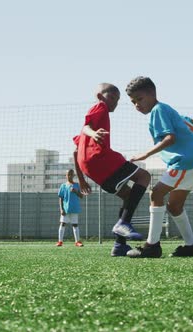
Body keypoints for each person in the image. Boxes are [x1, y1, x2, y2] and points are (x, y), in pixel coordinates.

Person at [125, 76, 193, 258]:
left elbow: (169, 138)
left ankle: (152, 247)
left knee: (156, 194)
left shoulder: (158, 110)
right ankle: (191, 246)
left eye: (139, 99)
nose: (137, 105)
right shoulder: (167, 109)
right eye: (133, 102)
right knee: (174, 206)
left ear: (152, 93)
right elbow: (192, 123)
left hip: (185, 161)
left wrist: (145, 154)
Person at [73, 83, 152, 256]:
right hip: (100, 160)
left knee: (127, 195)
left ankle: (119, 245)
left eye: (117, 100)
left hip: (90, 168)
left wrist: (81, 178)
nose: (115, 102)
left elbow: (75, 149)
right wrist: (93, 133)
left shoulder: (96, 120)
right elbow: (87, 127)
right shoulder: (99, 107)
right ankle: (123, 224)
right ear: (100, 96)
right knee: (144, 176)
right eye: (112, 98)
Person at [56, 169, 84, 247]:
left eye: (71, 174)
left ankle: (77, 241)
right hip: (65, 209)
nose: (69, 176)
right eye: (68, 174)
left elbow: (81, 196)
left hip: (74, 208)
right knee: (62, 224)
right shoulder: (63, 186)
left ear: (74, 176)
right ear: (66, 176)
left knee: (75, 225)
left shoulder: (77, 185)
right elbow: (61, 198)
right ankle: (60, 241)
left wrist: (75, 191)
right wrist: (61, 209)